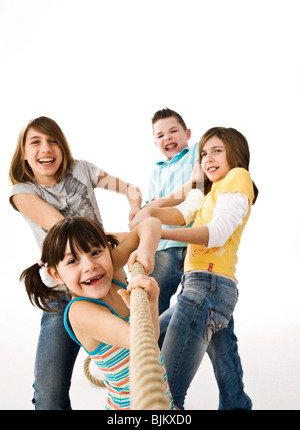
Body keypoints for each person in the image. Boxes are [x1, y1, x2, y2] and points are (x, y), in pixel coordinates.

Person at [9, 116, 142, 410]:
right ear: (23, 155)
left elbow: (131, 190)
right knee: (49, 396)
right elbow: (64, 230)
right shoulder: (23, 192)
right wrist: (114, 239)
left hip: (104, 276)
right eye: (36, 142)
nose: (46, 148)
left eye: (53, 140)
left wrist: (136, 213)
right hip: (65, 289)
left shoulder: (82, 169)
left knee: (144, 336)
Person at [130, 127, 258, 410]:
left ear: (234, 154)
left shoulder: (238, 177)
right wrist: (149, 213)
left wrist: (159, 233)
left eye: (217, 151)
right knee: (222, 356)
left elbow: (217, 232)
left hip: (209, 287)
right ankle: (237, 404)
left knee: (168, 390)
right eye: (203, 153)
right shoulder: (206, 192)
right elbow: (180, 214)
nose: (208, 158)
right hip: (199, 287)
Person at [20, 216, 176, 410]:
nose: (89, 265)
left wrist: (145, 252)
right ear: (55, 275)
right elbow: (143, 340)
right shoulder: (80, 312)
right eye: (73, 261)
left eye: (95, 252)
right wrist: (152, 303)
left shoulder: (112, 272)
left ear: (109, 251)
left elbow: (151, 223)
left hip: (163, 401)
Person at [130, 108, 200, 314]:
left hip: (194, 244)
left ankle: (225, 348)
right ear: (155, 142)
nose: (167, 138)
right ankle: (152, 347)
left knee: (203, 304)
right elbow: (150, 209)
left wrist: (157, 204)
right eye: (160, 135)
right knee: (153, 307)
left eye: (173, 131)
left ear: (187, 133)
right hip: (162, 248)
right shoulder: (156, 172)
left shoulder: (197, 153)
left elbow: (198, 184)